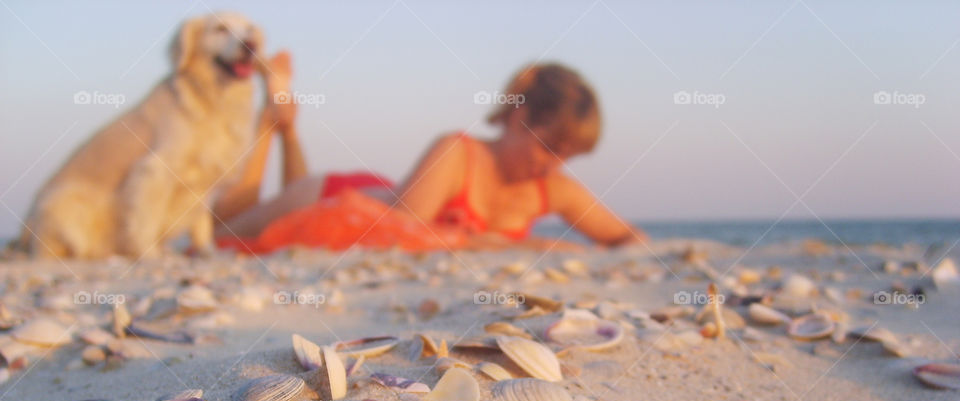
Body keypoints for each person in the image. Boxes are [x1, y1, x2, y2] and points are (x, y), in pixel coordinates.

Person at [214, 56, 647, 253]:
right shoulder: (457, 152)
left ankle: (287, 125)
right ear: (520, 115)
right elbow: (404, 233)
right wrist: (519, 245)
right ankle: (271, 122)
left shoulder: (553, 187)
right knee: (222, 230)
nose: (552, 165)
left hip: (374, 198)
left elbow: (630, 240)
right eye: (548, 147)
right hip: (331, 200)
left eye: (567, 156)